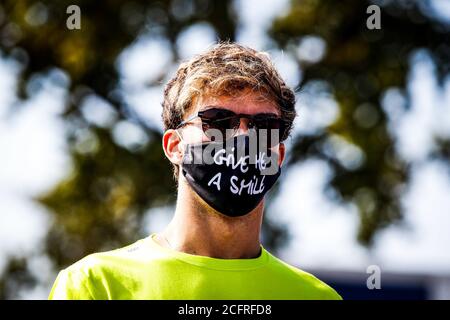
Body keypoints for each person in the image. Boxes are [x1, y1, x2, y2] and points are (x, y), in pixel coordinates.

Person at [49, 42, 342, 300]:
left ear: (278, 155)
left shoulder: (315, 297)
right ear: (174, 146)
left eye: (264, 127)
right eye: (218, 121)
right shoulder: (96, 285)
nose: (242, 138)